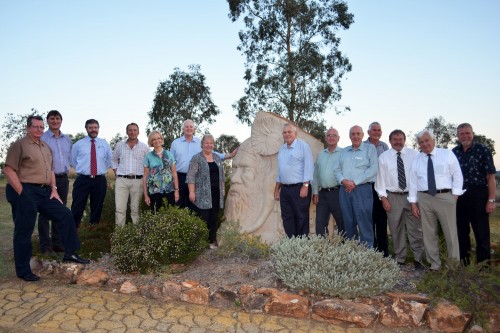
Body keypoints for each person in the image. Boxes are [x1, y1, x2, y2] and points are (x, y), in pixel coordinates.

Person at [3, 115, 90, 282]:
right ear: (28, 128)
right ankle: (23, 270)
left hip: (44, 191)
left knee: (64, 214)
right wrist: (22, 192)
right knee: (24, 230)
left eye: (41, 127)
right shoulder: (19, 145)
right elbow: (8, 170)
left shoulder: (45, 146)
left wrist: (54, 190)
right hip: (24, 190)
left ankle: (70, 253)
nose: (39, 130)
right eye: (35, 127)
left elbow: (50, 170)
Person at [408, 129, 464, 271]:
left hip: (445, 197)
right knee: (428, 234)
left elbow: (457, 174)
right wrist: (413, 203)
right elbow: (412, 182)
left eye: (427, 140)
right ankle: (435, 264)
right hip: (424, 198)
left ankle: (453, 266)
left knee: (450, 233)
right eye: (421, 142)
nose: (425, 144)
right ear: (419, 145)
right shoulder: (417, 159)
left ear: (433, 140)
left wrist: (455, 195)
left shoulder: (447, 154)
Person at [375, 129, 424, 269]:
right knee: (396, 229)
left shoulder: (414, 155)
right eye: (395, 139)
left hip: (412, 196)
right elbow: (380, 180)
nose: (398, 142)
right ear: (390, 141)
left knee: (415, 228)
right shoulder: (384, 157)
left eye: (400, 139)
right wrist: (383, 198)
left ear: (404, 140)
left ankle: (418, 258)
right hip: (393, 197)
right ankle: (400, 257)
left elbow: (420, 176)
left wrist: (418, 197)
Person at [452, 123, 496, 264]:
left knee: (481, 231)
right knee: (461, 231)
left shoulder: (483, 150)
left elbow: (490, 177)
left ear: (472, 134)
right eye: (461, 134)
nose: (464, 136)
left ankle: (484, 265)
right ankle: (464, 262)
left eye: (467, 133)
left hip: (478, 194)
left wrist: (491, 200)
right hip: (459, 195)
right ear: (458, 136)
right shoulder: (454, 152)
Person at [171, 119, 236, 210]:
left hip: (196, 179)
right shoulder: (175, 143)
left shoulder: (199, 142)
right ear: (183, 128)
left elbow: (212, 153)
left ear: (194, 129)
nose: (189, 128)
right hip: (180, 178)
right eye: (187, 127)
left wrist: (229, 155)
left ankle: (194, 224)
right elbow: (171, 162)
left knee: (194, 204)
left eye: (191, 127)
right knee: (178, 203)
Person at [334, 125, 378, 247]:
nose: (355, 136)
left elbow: (373, 169)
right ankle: (352, 252)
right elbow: (336, 170)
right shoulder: (344, 151)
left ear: (363, 135)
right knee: (348, 221)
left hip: (362, 190)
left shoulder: (370, 149)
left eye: (358, 134)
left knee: (364, 221)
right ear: (349, 136)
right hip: (345, 190)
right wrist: (343, 181)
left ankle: (368, 253)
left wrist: (354, 182)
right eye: (353, 134)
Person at [38, 110, 72, 254]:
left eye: (57, 118)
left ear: (61, 121)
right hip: (46, 179)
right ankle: (45, 246)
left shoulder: (67, 139)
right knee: (45, 213)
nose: (55, 121)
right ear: (48, 121)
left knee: (60, 211)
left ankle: (57, 244)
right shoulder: (42, 138)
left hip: (63, 179)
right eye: (52, 119)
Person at [273, 123, 314, 238]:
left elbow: (309, 166)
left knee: (301, 217)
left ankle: (302, 245)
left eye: (289, 132)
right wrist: (277, 189)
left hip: (300, 188)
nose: (287, 134)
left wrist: (305, 185)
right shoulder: (282, 148)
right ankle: (291, 244)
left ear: (295, 133)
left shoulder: (303, 146)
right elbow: (281, 171)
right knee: (287, 218)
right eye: (284, 132)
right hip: (285, 190)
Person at [71, 119, 112, 227]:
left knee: (97, 207)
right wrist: (84, 171)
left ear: (98, 128)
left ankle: (93, 231)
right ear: (86, 129)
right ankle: (73, 232)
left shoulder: (104, 144)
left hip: (99, 180)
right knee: (77, 207)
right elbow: (73, 160)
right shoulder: (78, 144)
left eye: (95, 127)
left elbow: (108, 160)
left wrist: (99, 170)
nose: (93, 130)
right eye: (91, 128)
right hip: (82, 180)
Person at [187, 134, 225, 248]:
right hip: (202, 194)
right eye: (207, 143)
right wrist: (191, 192)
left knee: (214, 217)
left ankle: (211, 240)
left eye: (211, 143)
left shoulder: (217, 158)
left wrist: (223, 190)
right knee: (203, 218)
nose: (209, 145)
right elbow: (191, 176)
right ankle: (202, 242)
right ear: (202, 144)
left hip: (216, 193)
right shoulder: (196, 158)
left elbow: (222, 176)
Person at [112, 123, 150, 226]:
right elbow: (114, 160)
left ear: (138, 132)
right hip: (122, 181)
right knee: (120, 209)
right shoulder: (119, 145)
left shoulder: (145, 147)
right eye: (130, 130)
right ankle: (120, 236)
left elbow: (149, 164)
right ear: (127, 132)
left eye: (134, 130)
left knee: (136, 209)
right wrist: (117, 174)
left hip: (138, 181)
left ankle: (136, 235)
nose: (132, 132)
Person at [312, 127, 344, 236]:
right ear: (325, 138)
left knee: (341, 222)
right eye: (329, 135)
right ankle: (322, 248)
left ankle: (344, 249)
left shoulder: (343, 153)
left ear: (338, 138)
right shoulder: (321, 154)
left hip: (338, 193)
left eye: (334, 135)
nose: (331, 137)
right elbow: (315, 174)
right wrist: (315, 191)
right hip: (323, 194)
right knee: (320, 224)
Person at [365, 121, 389, 257]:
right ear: (368, 132)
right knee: (369, 220)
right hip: (368, 187)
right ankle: (371, 250)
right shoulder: (363, 146)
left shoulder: (384, 146)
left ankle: (384, 251)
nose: (376, 132)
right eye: (374, 130)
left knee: (381, 220)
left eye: (379, 130)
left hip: (382, 188)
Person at [143, 131, 179, 212]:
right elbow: (145, 177)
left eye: (158, 138)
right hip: (154, 191)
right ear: (151, 142)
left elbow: (174, 174)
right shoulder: (148, 156)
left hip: (169, 190)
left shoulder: (169, 154)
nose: (157, 141)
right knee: (156, 215)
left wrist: (176, 191)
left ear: (161, 139)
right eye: (154, 139)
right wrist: (146, 195)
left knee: (170, 215)